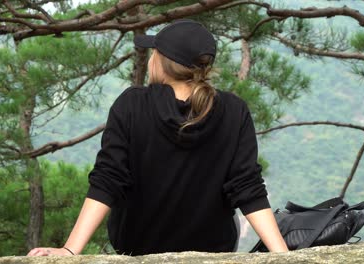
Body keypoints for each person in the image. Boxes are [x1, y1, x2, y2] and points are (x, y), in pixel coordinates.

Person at [26, 18, 289, 257]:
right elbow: (247, 187)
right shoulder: (234, 110)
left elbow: (108, 178)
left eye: (154, 52)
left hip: (138, 248)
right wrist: (282, 256)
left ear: (161, 61)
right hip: (213, 249)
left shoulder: (131, 104)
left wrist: (71, 250)